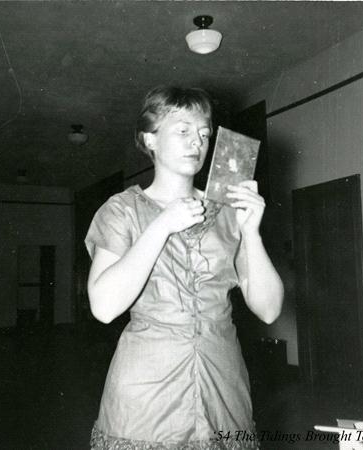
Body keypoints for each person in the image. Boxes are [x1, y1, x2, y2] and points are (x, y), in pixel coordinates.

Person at [85, 86, 284, 449]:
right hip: (146, 398)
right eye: (183, 130)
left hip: (222, 388)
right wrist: (162, 225)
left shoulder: (226, 212)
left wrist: (251, 232)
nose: (198, 141)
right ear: (150, 139)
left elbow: (269, 310)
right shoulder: (122, 210)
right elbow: (103, 307)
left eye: (204, 133)